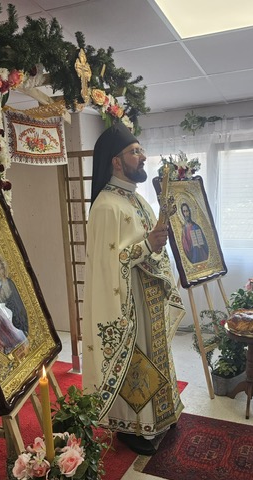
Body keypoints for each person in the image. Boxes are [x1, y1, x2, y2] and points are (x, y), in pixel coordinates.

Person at [82, 122, 185, 456]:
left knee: (155, 354)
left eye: (141, 150)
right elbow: (107, 265)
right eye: (134, 151)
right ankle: (131, 427)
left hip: (148, 295)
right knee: (135, 358)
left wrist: (156, 242)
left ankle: (161, 415)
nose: (142, 156)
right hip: (128, 301)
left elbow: (151, 244)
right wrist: (147, 246)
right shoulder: (106, 206)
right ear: (116, 161)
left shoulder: (136, 199)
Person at [0, 257, 29, 335]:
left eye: (2, 268)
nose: (1, 271)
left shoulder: (9, 282)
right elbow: (2, 300)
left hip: (17, 308)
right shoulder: (0, 286)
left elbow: (16, 297)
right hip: (10, 310)